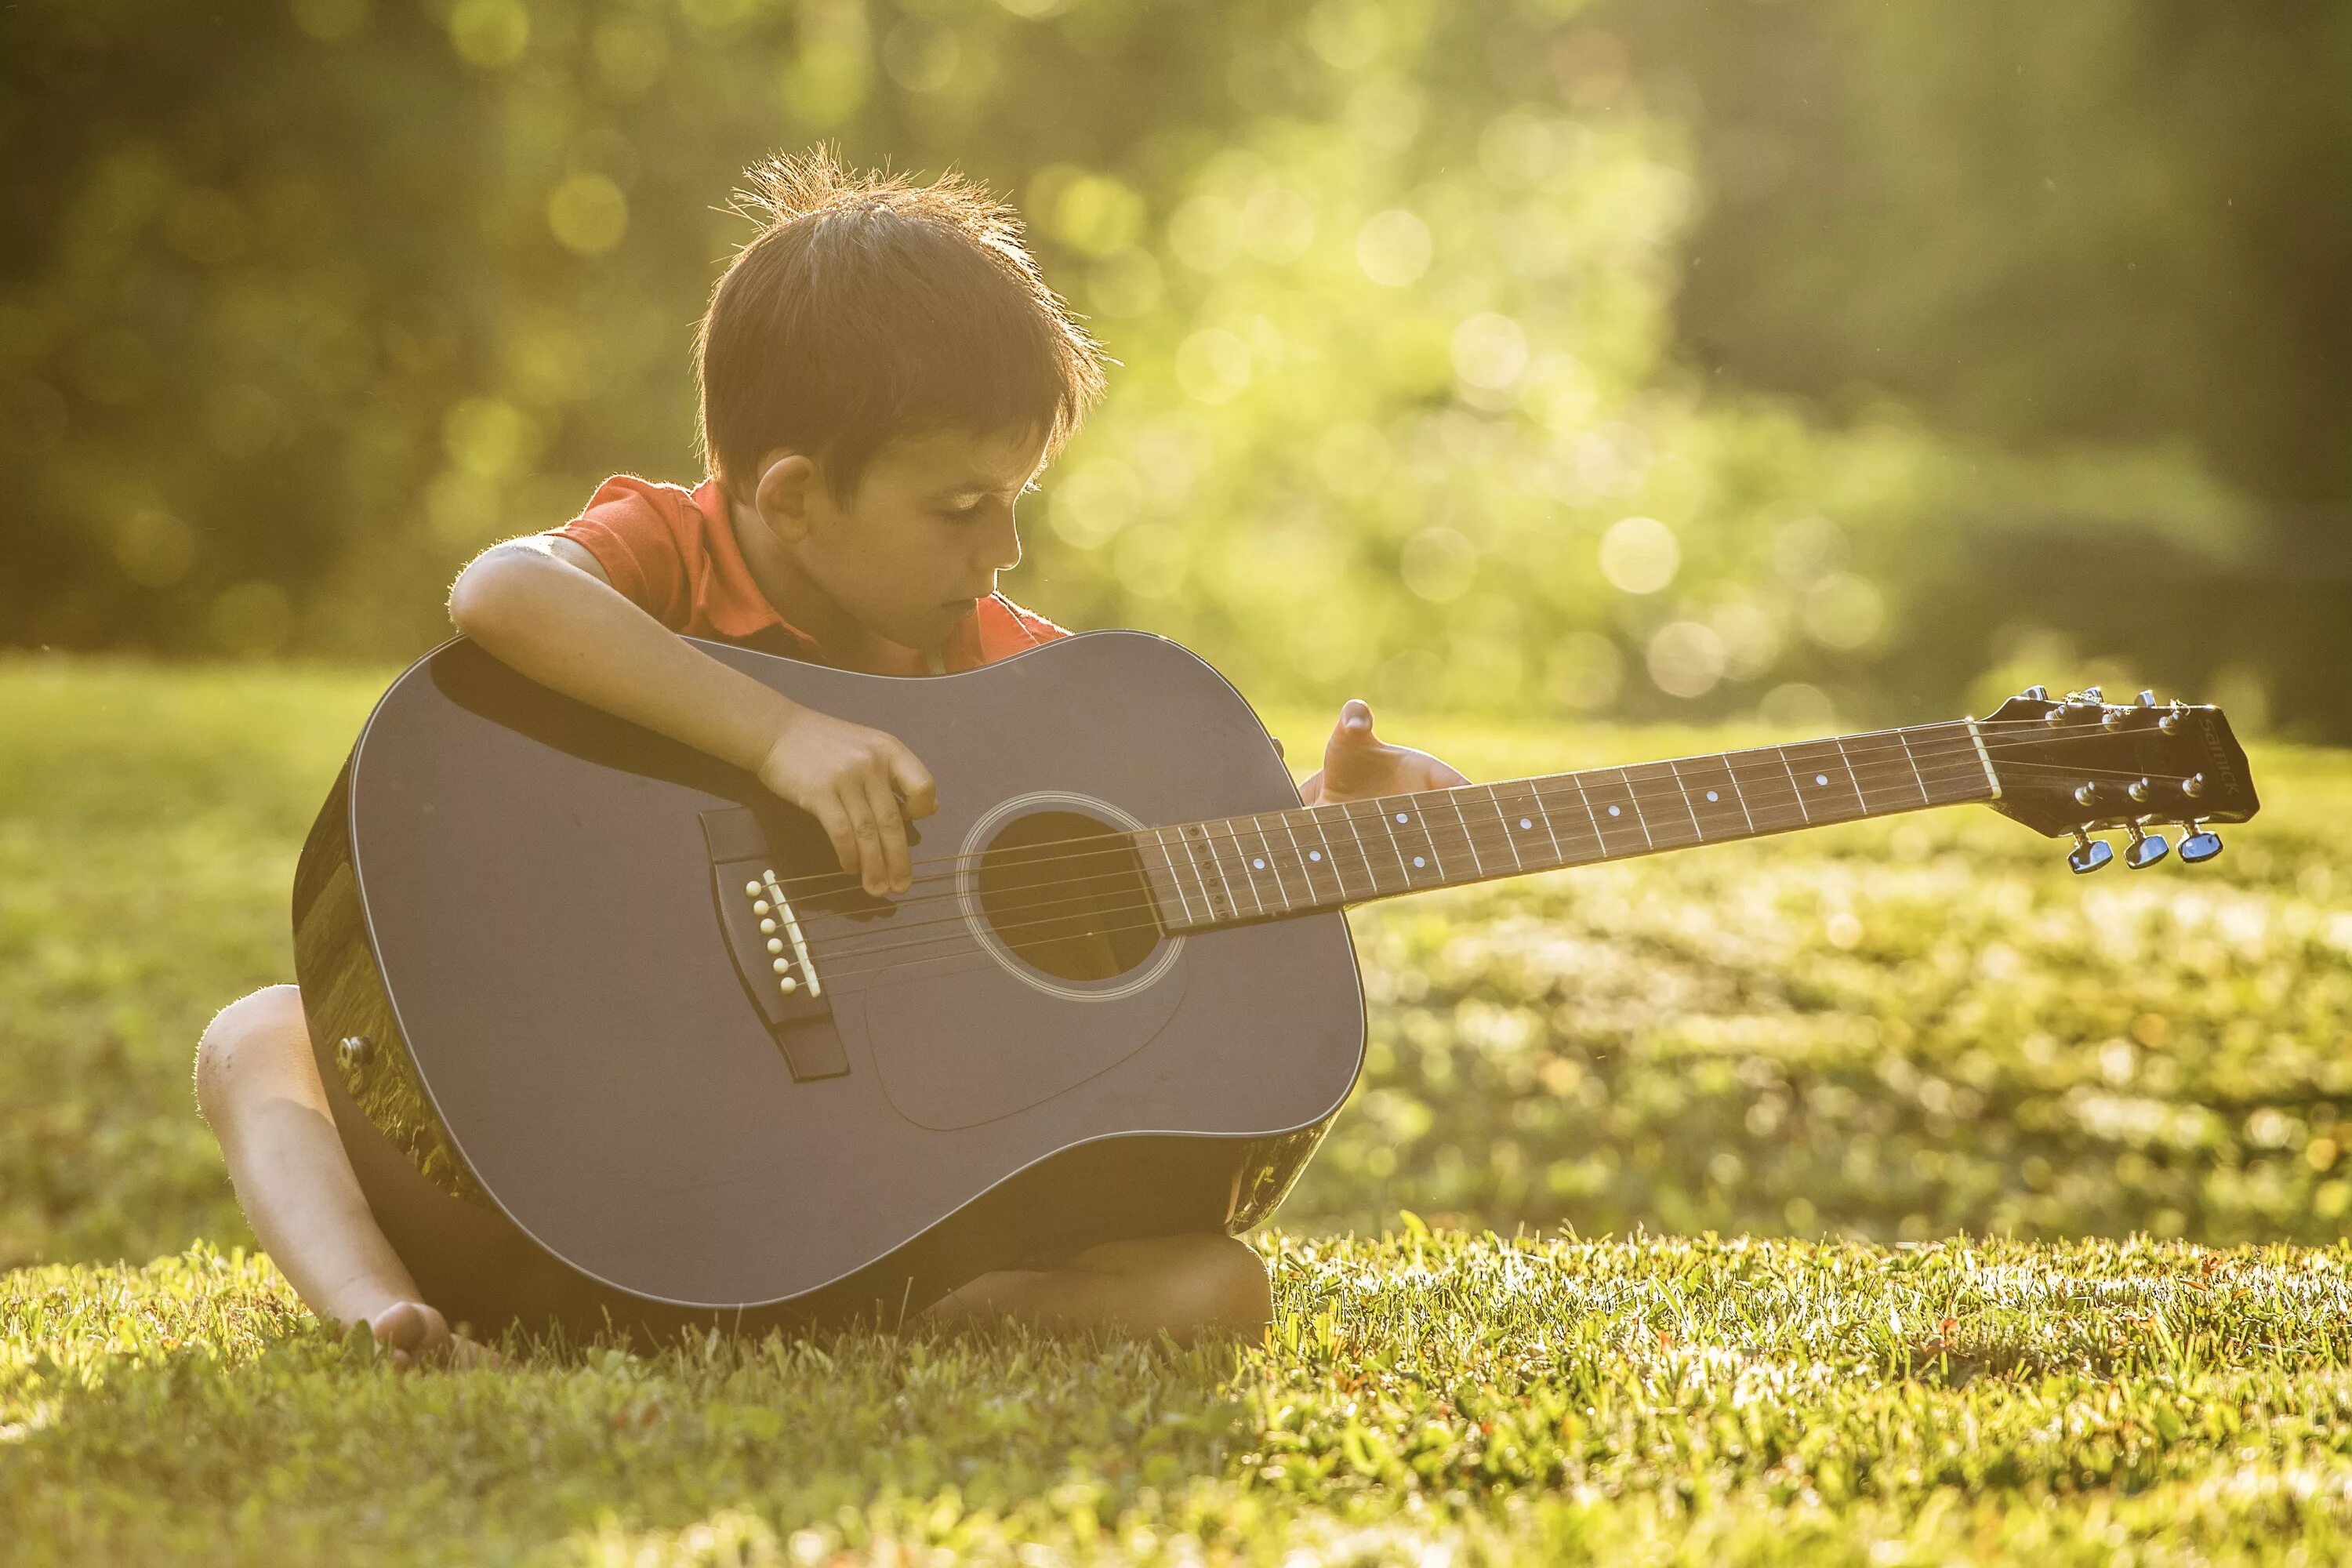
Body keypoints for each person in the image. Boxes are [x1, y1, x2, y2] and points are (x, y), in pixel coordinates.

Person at [193, 150, 1471, 1369]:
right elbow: (502, 592)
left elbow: (1115, 888)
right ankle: (379, 1308)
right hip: (531, 1178)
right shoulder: (674, 552)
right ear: (794, 497)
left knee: (1214, 1291)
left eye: (1016, 501)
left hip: (808, 1208)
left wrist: (1319, 835)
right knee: (260, 1037)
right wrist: (783, 737)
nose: (1003, 553)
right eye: (961, 510)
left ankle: (881, 1315)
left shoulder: (1015, 680)